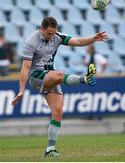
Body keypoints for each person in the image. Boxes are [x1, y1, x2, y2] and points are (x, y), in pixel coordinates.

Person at [11, 16, 108, 157]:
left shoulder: (57, 36)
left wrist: (93, 38)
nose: (51, 36)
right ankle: (85, 78)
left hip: (49, 75)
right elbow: (25, 68)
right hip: (36, 76)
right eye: (49, 33)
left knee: (58, 112)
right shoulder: (31, 41)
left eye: (53, 33)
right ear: (42, 29)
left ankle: (50, 149)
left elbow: (79, 41)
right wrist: (21, 90)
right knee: (60, 75)